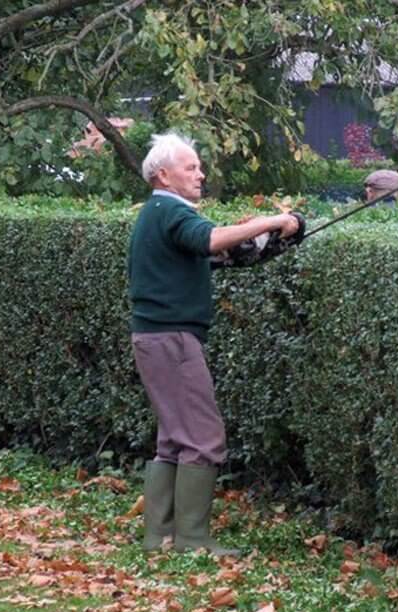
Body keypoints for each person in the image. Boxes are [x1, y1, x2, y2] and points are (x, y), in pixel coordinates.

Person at [128, 132, 299, 557]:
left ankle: (160, 537)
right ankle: (192, 540)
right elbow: (208, 240)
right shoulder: (171, 209)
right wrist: (271, 223)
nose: (201, 174)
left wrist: (248, 247)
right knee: (204, 437)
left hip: (155, 336)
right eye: (192, 167)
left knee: (174, 437)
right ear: (163, 176)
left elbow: (205, 254)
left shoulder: (157, 212)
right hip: (173, 338)